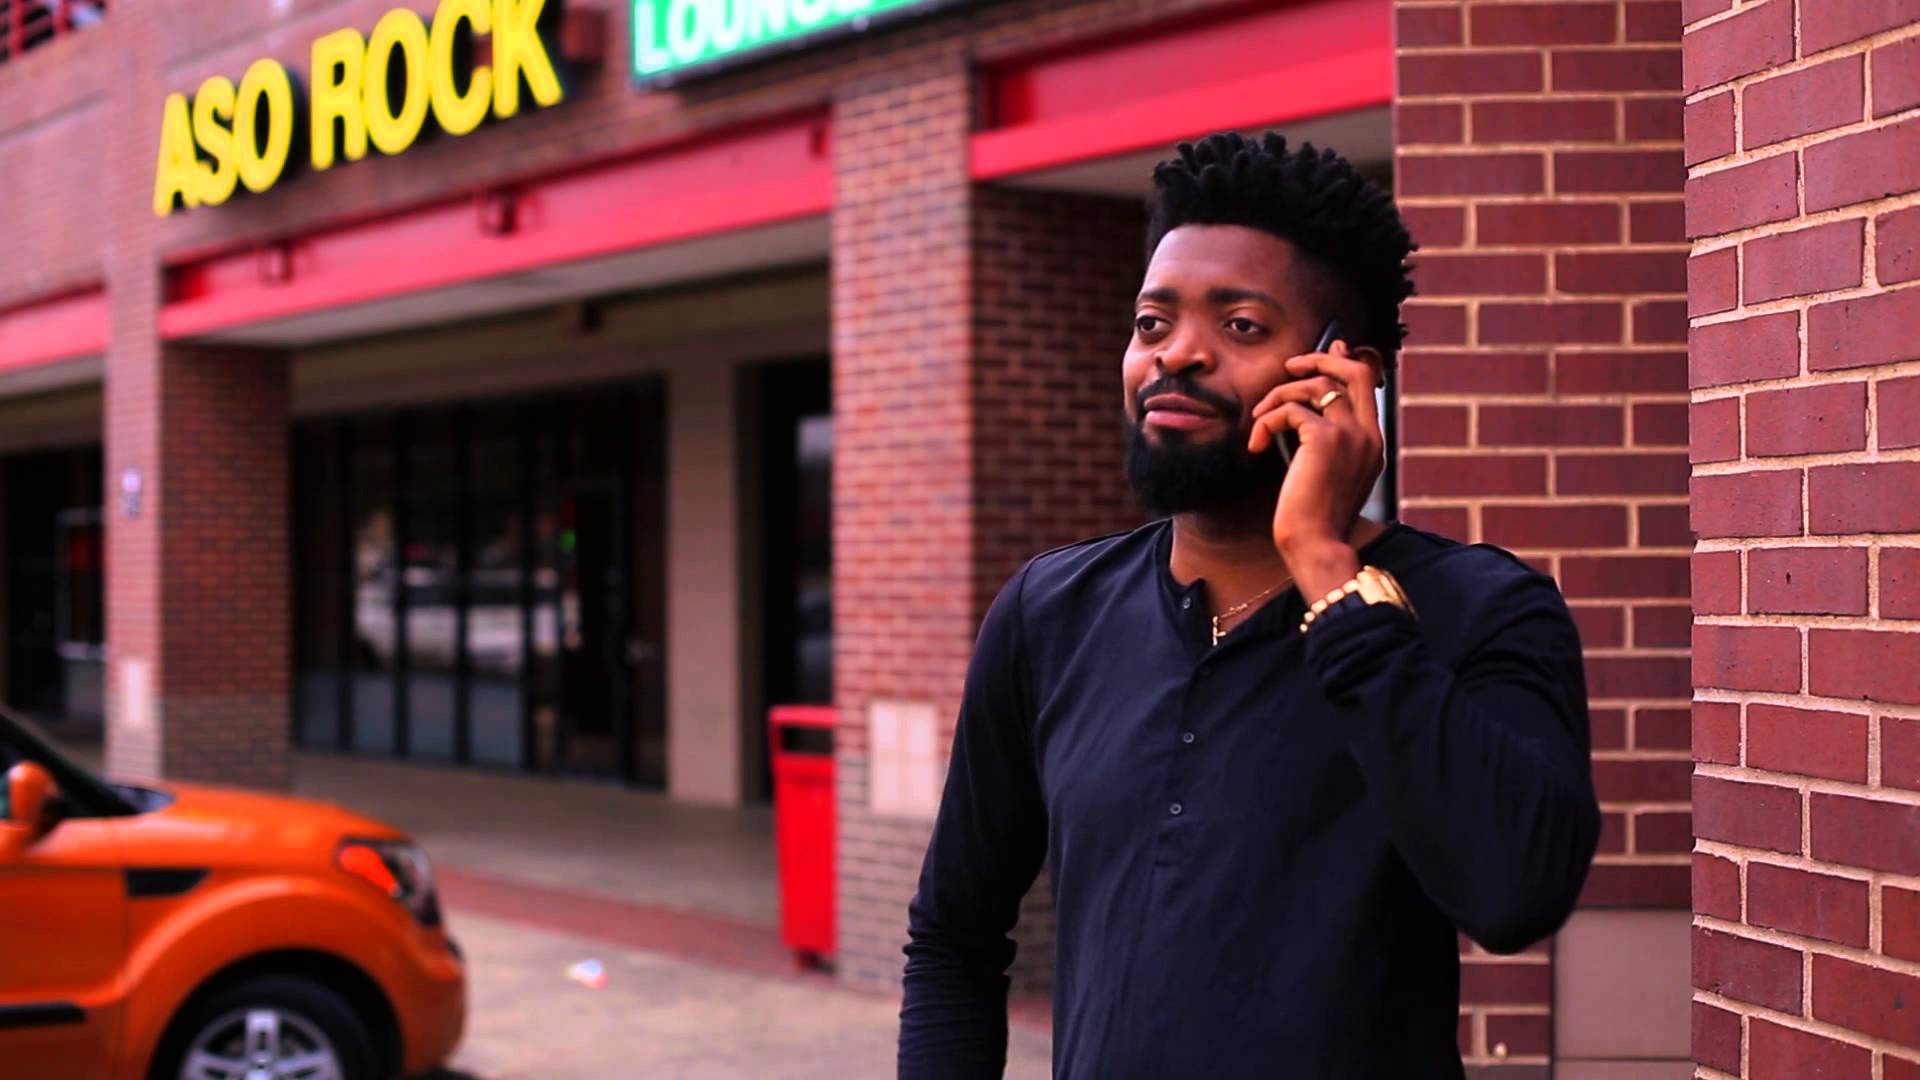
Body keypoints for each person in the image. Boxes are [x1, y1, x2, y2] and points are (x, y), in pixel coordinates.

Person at [897, 132, 1600, 1079]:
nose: (1175, 357)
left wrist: (1322, 561)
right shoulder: (1048, 613)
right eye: (1153, 324)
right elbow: (953, 933)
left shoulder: (1480, 608)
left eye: (1239, 327)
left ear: (1341, 373)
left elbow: (1515, 893)